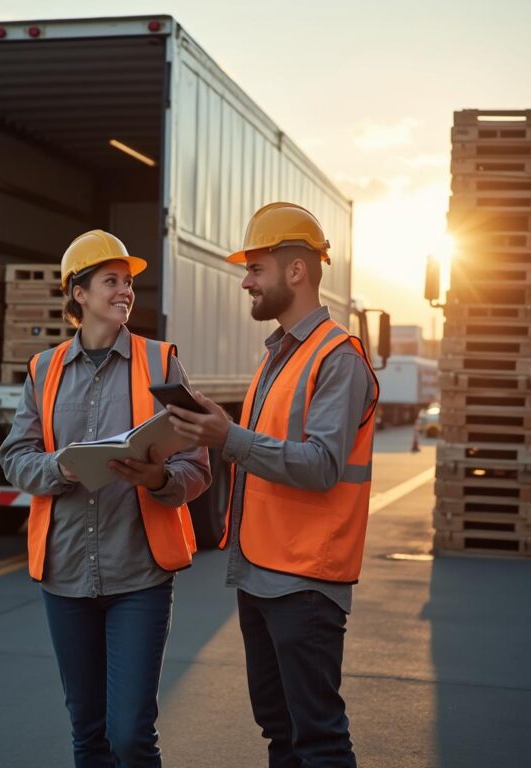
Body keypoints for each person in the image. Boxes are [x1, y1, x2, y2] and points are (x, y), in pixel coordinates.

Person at [167, 203, 379, 768]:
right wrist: (219, 427)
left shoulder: (338, 358)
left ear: (296, 271)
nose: (245, 281)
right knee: (279, 732)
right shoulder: (278, 355)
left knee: (319, 739)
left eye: (255, 268)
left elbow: (320, 465)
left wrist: (228, 436)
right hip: (263, 573)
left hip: (306, 580)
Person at [0, 229, 211, 768]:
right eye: (111, 281)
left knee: (132, 736)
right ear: (79, 293)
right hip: (65, 576)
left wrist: (156, 479)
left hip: (139, 574)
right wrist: (60, 467)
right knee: (88, 735)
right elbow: (16, 455)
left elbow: (197, 466)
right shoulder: (44, 370)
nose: (124, 292)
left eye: (129, 282)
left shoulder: (160, 362)